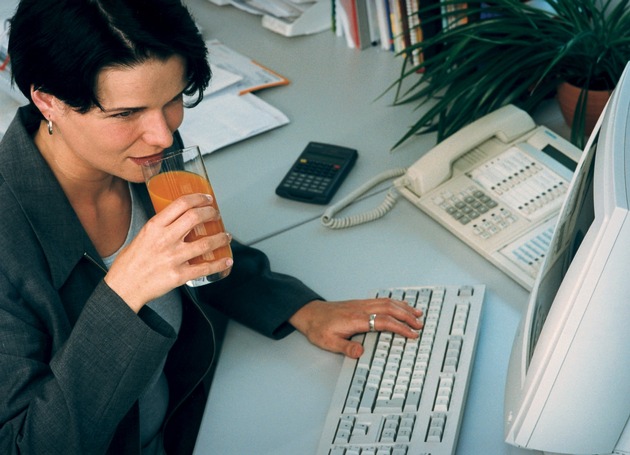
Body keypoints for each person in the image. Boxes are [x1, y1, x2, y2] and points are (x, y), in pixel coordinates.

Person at [0, 0, 423, 453]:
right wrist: (122, 297)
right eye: (125, 114)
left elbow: (195, 248)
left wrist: (300, 308)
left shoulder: (144, 148)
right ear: (47, 100)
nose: (163, 135)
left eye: (173, 100)